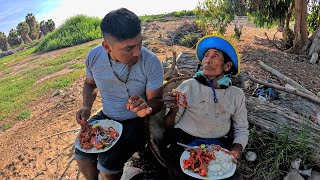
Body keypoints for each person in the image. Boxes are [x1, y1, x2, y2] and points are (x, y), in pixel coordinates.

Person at [74, 8, 164, 180]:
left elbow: (157, 100)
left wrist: (146, 108)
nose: (137, 52)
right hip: (106, 116)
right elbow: (90, 83)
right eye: (129, 48)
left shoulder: (151, 62)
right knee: (82, 156)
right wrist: (86, 106)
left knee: (107, 168)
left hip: (135, 122)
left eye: (140, 43)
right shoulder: (93, 57)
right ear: (107, 47)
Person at [161, 35, 249, 179]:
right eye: (206, 55)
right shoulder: (188, 86)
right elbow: (168, 125)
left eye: (216, 56)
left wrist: (237, 149)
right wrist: (174, 109)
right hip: (184, 142)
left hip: (217, 145)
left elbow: (241, 128)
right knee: (180, 173)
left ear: (227, 66)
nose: (208, 59)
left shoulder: (236, 94)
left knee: (225, 175)